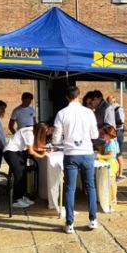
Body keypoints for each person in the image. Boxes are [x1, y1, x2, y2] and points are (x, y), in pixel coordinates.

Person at [53, 86, 100, 234]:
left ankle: (70, 223)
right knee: (90, 187)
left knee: (70, 188)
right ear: (79, 95)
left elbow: (55, 139)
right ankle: (93, 220)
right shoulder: (89, 112)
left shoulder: (61, 113)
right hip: (86, 152)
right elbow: (94, 135)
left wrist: (63, 140)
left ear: (66, 97)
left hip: (71, 153)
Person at [3, 122, 51, 208]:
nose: (46, 133)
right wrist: (42, 155)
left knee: (23, 174)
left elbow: (34, 147)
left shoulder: (32, 131)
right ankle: (17, 199)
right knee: (19, 175)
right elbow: (31, 151)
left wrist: (46, 149)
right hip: (10, 152)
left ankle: (22, 197)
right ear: (40, 130)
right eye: (45, 131)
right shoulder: (29, 133)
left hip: (16, 152)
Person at [96, 123, 120, 208]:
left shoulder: (111, 143)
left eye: (104, 134)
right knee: (111, 182)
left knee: (111, 182)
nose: (102, 136)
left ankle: (113, 199)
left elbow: (110, 155)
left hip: (111, 164)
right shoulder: (110, 142)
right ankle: (113, 198)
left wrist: (100, 156)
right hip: (111, 163)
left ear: (109, 135)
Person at [107, 95, 127, 181]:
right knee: (115, 153)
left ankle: (120, 174)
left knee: (118, 153)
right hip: (113, 131)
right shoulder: (111, 108)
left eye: (109, 101)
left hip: (118, 132)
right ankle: (115, 172)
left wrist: (112, 122)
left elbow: (121, 121)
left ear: (113, 101)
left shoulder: (118, 109)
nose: (107, 102)